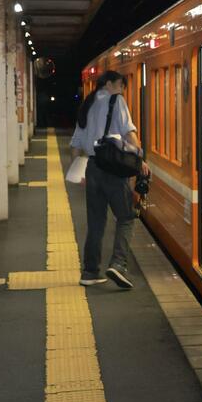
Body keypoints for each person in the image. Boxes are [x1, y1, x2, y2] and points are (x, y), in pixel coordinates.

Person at [70, 70, 149, 289]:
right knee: (126, 217)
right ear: (110, 84)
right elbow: (129, 133)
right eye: (120, 85)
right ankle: (118, 264)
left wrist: (81, 171)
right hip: (113, 167)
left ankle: (90, 272)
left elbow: (76, 144)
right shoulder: (117, 101)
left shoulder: (87, 104)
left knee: (96, 222)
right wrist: (139, 157)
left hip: (92, 168)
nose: (122, 90)